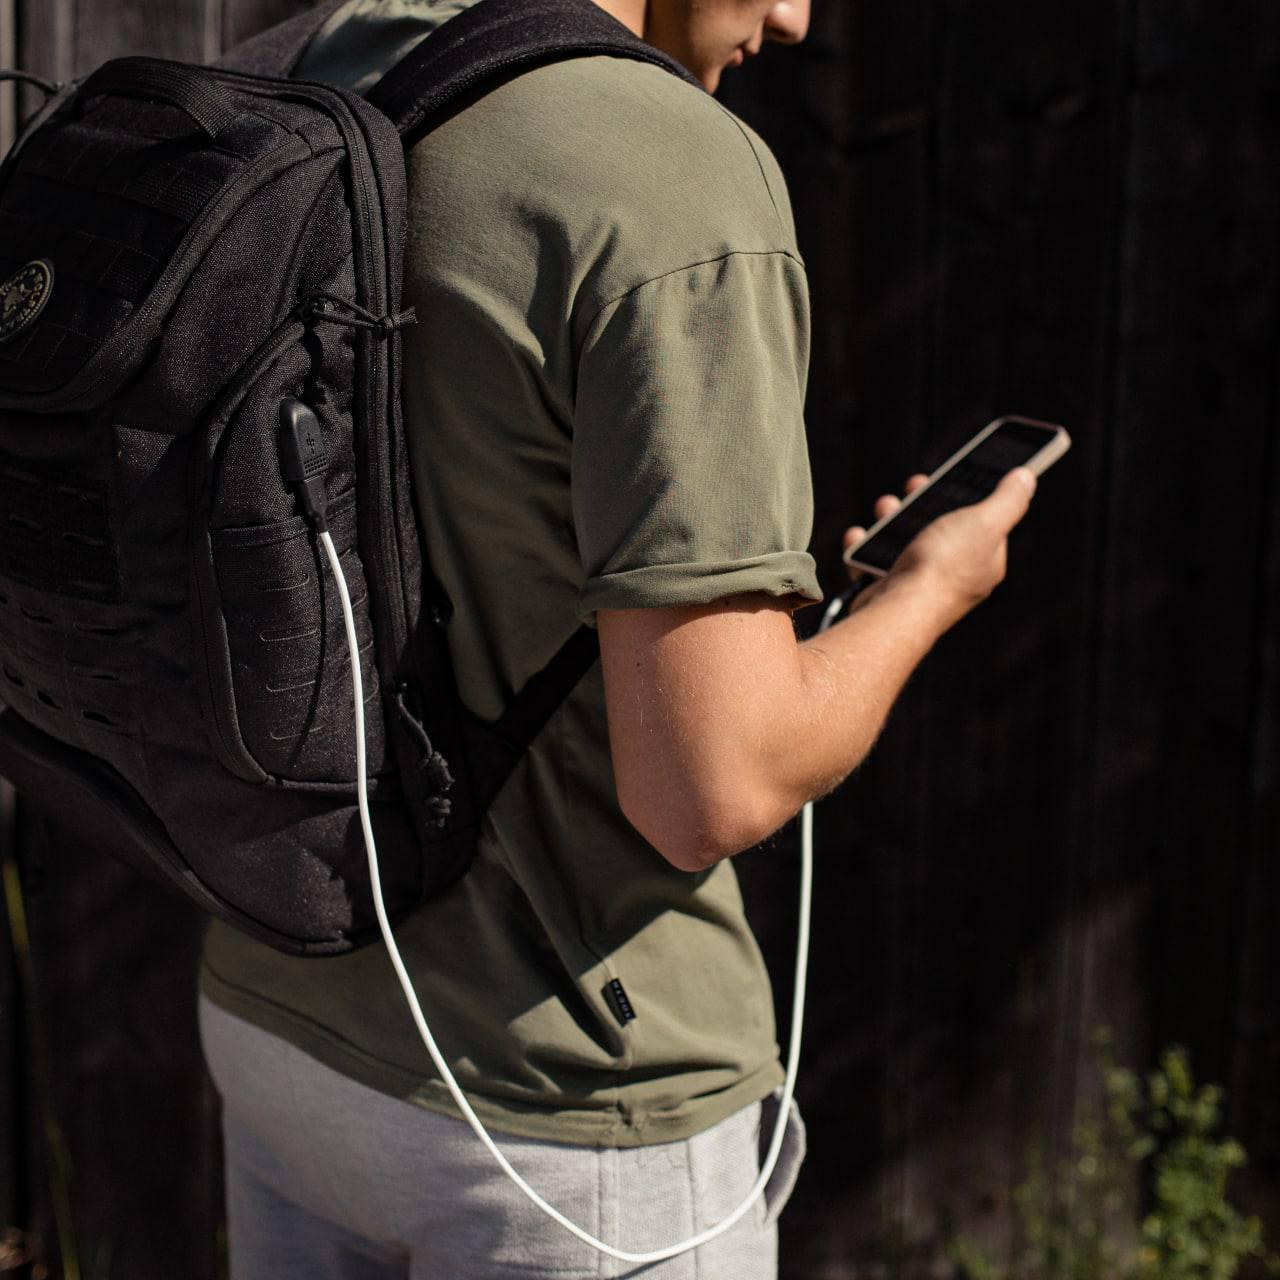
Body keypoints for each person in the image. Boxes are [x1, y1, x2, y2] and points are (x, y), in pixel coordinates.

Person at [196, 1, 1038, 1276]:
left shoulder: (323, 56)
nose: (796, 16)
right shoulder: (662, 163)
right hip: (555, 1116)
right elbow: (715, 778)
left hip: (274, 1015)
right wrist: (928, 589)